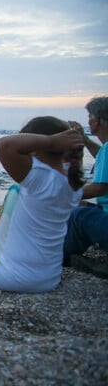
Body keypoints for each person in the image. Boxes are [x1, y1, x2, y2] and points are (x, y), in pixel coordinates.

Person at [0, 116, 85, 293]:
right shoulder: (70, 180)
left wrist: (51, 141)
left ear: (35, 149)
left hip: (16, 276)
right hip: (46, 274)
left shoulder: (42, 179)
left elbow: (5, 145)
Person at [63, 96, 108, 278]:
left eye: (90, 117)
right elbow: (101, 156)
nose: (88, 121)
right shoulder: (105, 149)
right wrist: (84, 139)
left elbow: (99, 188)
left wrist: (65, 195)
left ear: (97, 120)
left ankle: (60, 256)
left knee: (78, 215)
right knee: (80, 206)